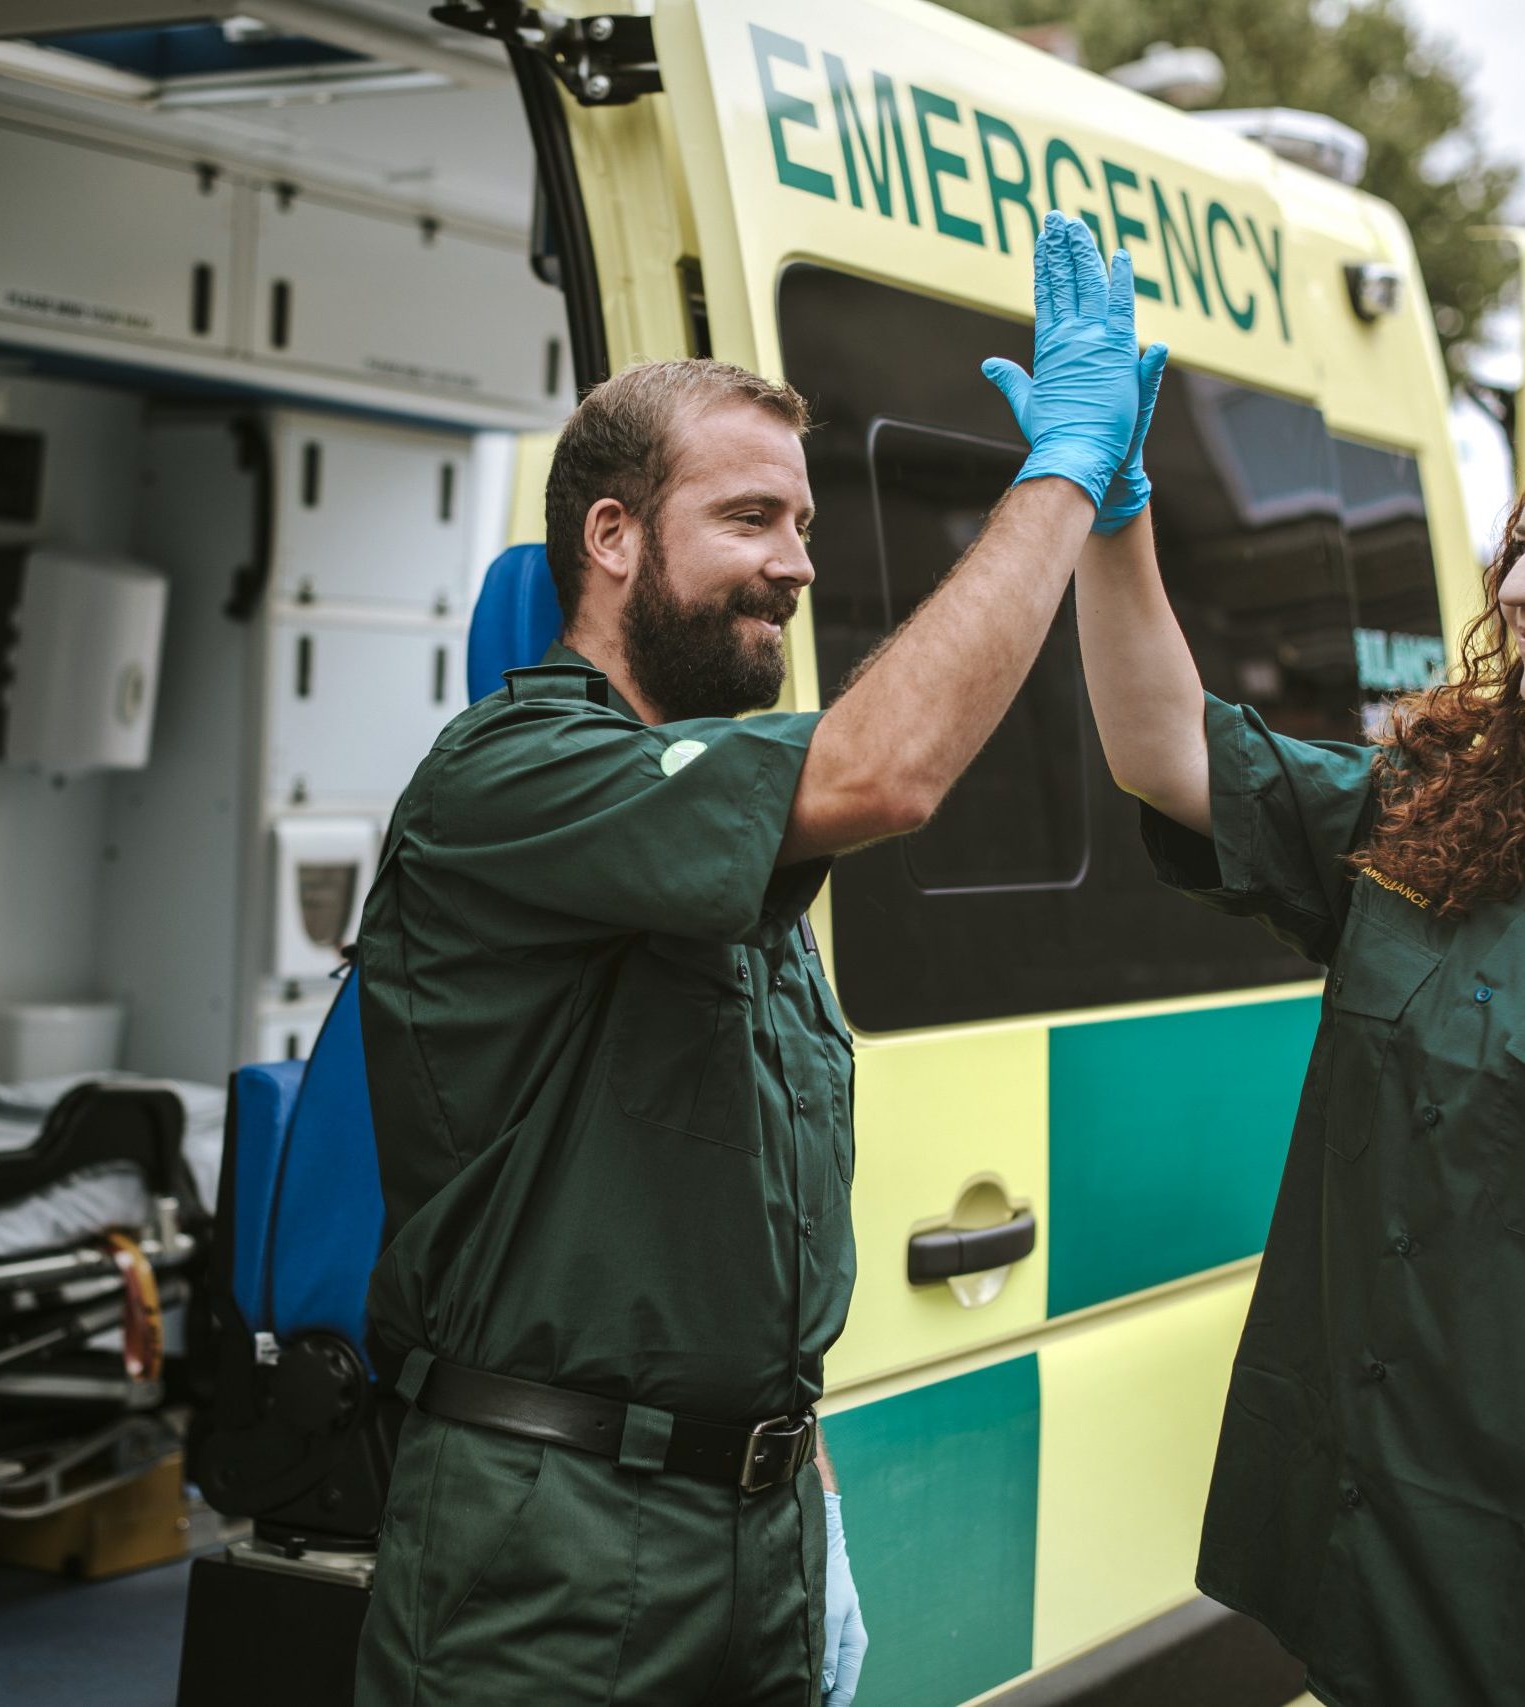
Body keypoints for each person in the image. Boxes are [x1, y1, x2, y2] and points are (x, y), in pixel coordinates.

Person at [353, 210, 1145, 1706]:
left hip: (758, 1530)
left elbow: (731, 1230)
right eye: (748, 521)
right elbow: (886, 772)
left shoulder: (721, 814)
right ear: (610, 539)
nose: (795, 566)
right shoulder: (509, 777)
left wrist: (804, 1488)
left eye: (803, 525)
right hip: (552, 1551)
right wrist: (1061, 478)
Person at [1074, 384, 1525, 1700]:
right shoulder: (1428, 814)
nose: (1513, 593)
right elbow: (1169, 753)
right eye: (1518, 551)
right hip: (1380, 1557)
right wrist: (1115, 518)